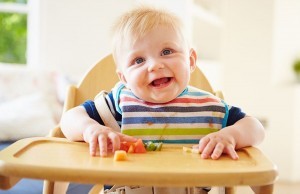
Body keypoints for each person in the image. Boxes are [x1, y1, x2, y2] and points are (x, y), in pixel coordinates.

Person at [60, 6, 265, 194]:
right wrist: (90, 129)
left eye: (167, 52)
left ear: (190, 60)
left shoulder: (208, 108)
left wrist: (231, 135)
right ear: (124, 78)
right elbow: (69, 119)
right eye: (138, 60)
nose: (154, 65)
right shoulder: (119, 103)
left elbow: (255, 128)